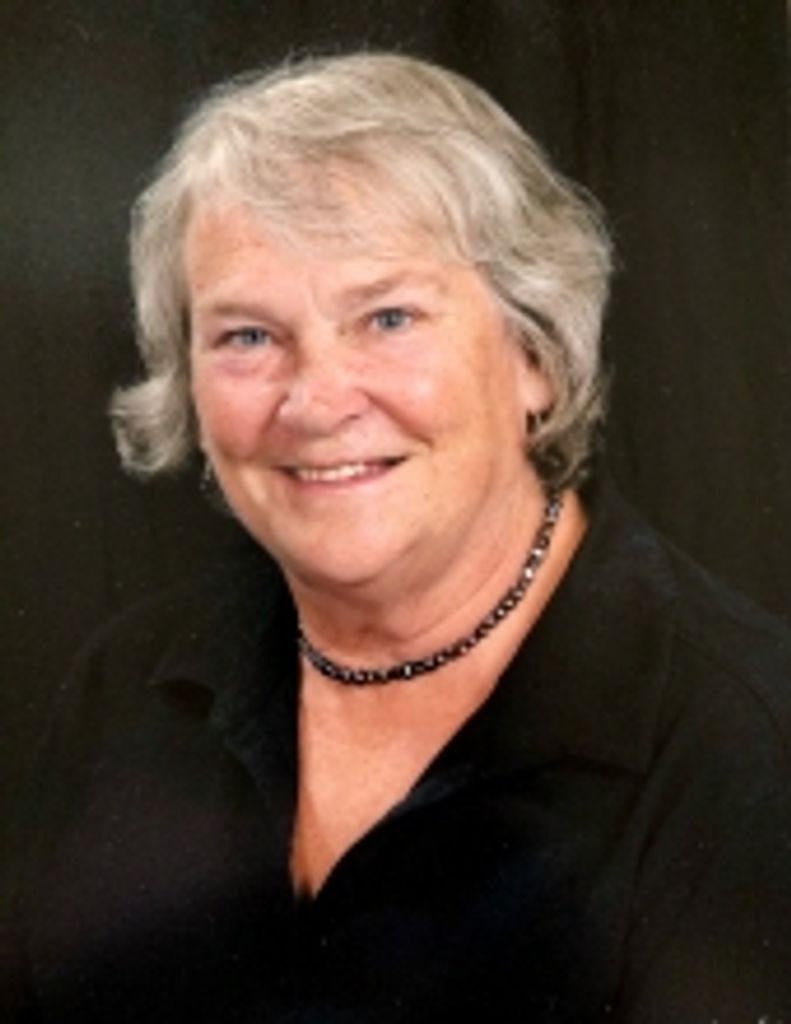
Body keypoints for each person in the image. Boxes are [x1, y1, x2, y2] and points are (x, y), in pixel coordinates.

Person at [4, 52, 791, 1023]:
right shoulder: (124, 687)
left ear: (535, 355)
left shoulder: (743, 750)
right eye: (247, 336)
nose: (315, 400)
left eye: (386, 317)